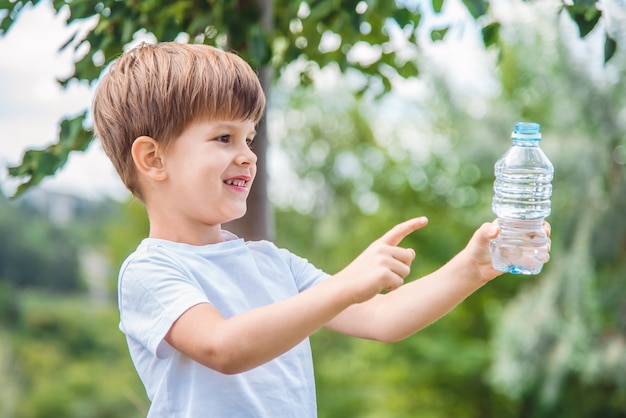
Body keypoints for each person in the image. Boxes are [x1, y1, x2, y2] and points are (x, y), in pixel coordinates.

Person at [92, 41, 549, 417]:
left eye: (249, 138)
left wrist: (474, 265)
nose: (248, 154)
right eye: (223, 137)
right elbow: (223, 347)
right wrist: (345, 286)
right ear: (153, 159)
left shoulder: (272, 262)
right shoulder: (150, 271)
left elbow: (382, 317)